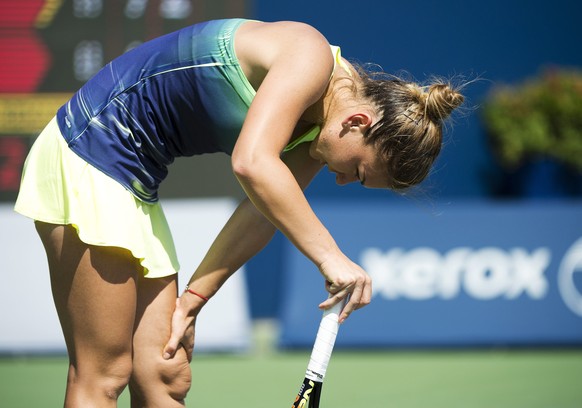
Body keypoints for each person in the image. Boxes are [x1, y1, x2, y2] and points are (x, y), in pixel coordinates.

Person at [14, 18, 464, 407]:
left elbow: (260, 212)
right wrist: (329, 256)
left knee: (163, 376)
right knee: (104, 374)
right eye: (359, 171)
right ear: (359, 122)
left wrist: (193, 300)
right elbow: (252, 162)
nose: (343, 180)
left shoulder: (319, 135)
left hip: (134, 181)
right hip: (88, 150)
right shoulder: (308, 56)